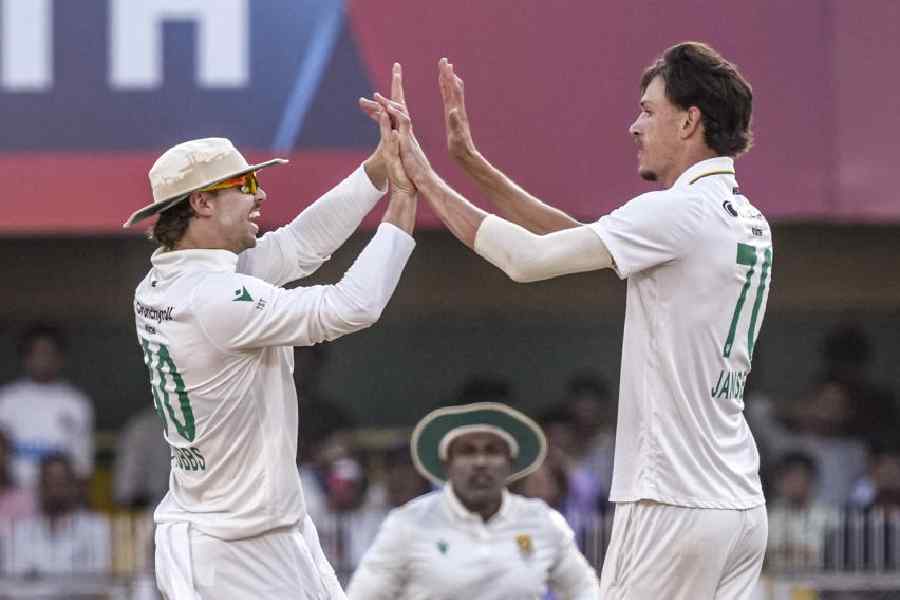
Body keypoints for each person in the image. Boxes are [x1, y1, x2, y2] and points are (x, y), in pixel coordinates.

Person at [374, 41, 770, 598]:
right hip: (739, 504)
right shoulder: (744, 216)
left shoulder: (679, 210)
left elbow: (525, 259)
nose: (635, 126)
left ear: (690, 121)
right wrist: (472, 166)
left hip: (672, 499)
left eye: (648, 111)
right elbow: (572, 240)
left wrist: (425, 177)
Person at [122, 66, 417, 599]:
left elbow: (301, 245)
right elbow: (352, 307)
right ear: (202, 202)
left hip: (254, 528)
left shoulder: (165, 281)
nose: (260, 194)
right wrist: (403, 202)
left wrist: (377, 170)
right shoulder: (214, 298)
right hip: (232, 547)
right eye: (246, 184)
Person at [347, 402, 600, 599]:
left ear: (510, 464)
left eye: (492, 451)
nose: (481, 462)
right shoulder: (408, 523)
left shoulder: (543, 522)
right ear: (446, 464)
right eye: (467, 451)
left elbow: (584, 590)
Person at [0, 323, 94, 489]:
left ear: (60, 358)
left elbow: (82, 465)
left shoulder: (76, 402)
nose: (43, 359)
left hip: (59, 498)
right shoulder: (7, 399)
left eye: (49, 353)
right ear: (26, 358)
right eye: (37, 353)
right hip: (14, 494)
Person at [6, 452, 110, 576]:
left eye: (61, 482)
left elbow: (99, 576)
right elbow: (14, 581)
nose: (55, 489)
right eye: (49, 482)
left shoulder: (96, 527)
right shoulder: (20, 531)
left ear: (74, 486)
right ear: (40, 486)